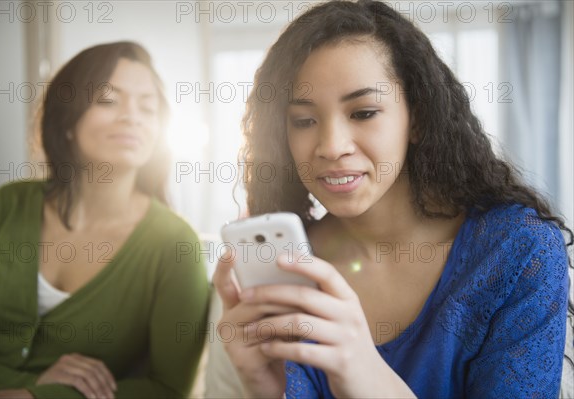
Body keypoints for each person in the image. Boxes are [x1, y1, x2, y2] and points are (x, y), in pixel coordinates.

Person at [212, 1, 572, 398]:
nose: (331, 146)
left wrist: (366, 373)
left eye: (364, 112)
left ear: (416, 118)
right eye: (304, 121)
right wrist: (264, 388)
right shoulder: (287, 271)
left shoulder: (517, 252)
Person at [0, 42, 210, 399]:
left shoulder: (175, 245)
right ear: (67, 121)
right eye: (108, 100)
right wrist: (13, 384)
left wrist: (36, 396)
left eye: (148, 107)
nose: (132, 116)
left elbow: (167, 389)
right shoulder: (9, 204)